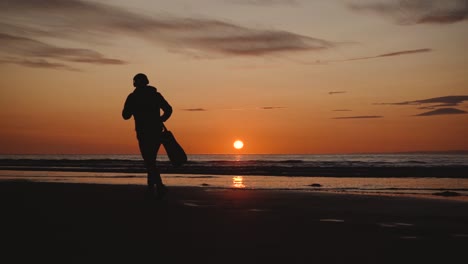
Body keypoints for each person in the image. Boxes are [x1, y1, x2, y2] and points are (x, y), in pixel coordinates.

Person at [122, 73, 172, 199]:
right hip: (155, 131)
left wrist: (134, 109)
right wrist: (160, 119)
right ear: (147, 82)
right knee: (151, 160)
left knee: (149, 160)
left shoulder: (133, 97)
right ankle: (155, 187)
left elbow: (125, 116)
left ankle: (156, 187)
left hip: (143, 132)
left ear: (135, 83)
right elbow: (168, 109)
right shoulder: (155, 95)